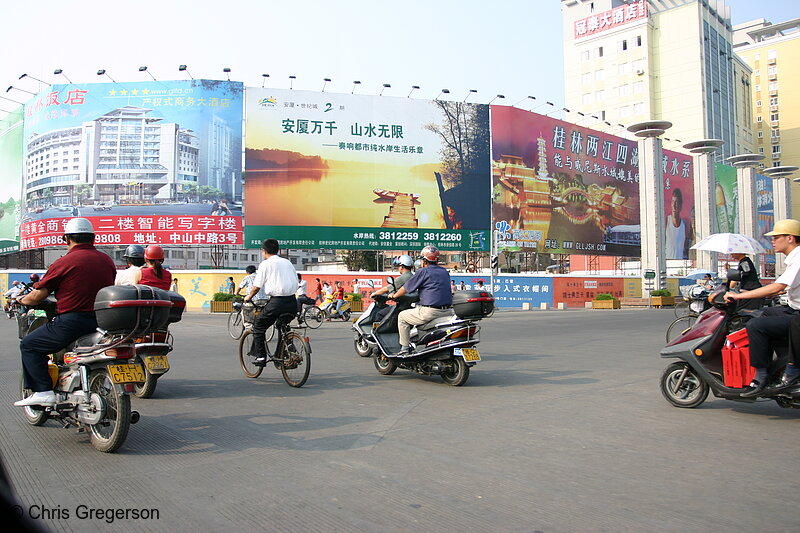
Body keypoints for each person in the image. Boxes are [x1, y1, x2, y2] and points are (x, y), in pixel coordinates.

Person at [14, 218, 116, 407]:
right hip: (102, 322)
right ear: (93, 239)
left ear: (66, 239)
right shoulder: (106, 260)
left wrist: (20, 300)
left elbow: (37, 296)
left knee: (29, 345)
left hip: (72, 323)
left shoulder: (65, 262)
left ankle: (43, 391)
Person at [725, 219, 800, 396]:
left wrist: (738, 295)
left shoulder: (797, 258)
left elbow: (778, 286)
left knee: (755, 326)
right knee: (762, 314)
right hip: (791, 307)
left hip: (796, 314)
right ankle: (782, 361)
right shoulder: (793, 259)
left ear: (790, 238)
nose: (772, 241)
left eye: (776, 237)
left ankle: (764, 375)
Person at [390, 245, 453, 356]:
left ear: (424, 261)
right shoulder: (444, 272)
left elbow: (406, 288)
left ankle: (404, 348)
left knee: (402, 317)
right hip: (447, 312)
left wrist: (394, 296)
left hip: (430, 312)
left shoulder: (423, 272)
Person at [244, 239, 298, 365]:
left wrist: (248, 297)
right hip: (292, 302)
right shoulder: (287, 263)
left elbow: (257, 286)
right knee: (282, 326)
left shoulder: (265, 264)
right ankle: (287, 351)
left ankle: (261, 357)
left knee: (258, 326)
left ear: (264, 251)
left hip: (277, 302)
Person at [665, 188, 692, 260]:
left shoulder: (684, 225)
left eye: (676, 202)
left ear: (681, 205)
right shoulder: (666, 221)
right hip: (667, 261)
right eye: (673, 201)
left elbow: (686, 246)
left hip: (680, 263)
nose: (674, 205)